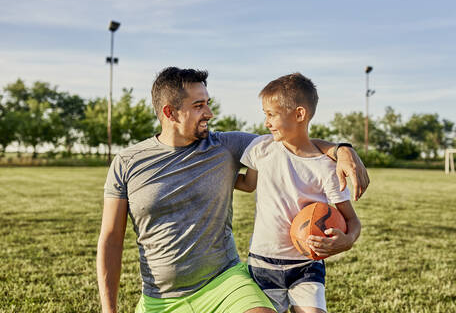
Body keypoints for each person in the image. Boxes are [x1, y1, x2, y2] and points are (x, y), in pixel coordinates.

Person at [97, 67, 369, 313]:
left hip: (225, 283)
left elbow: (292, 142)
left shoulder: (225, 145)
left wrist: (342, 149)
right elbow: (110, 239)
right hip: (160, 298)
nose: (209, 113)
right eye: (199, 105)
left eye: (208, 103)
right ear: (170, 112)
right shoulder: (127, 162)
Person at [234, 73, 362, 313]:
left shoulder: (326, 167)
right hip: (262, 263)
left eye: (271, 115)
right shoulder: (261, 149)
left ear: (299, 114)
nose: (266, 123)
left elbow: (352, 220)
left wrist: (347, 241)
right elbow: (248, 184)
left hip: (306, 265)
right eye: (265, 115)